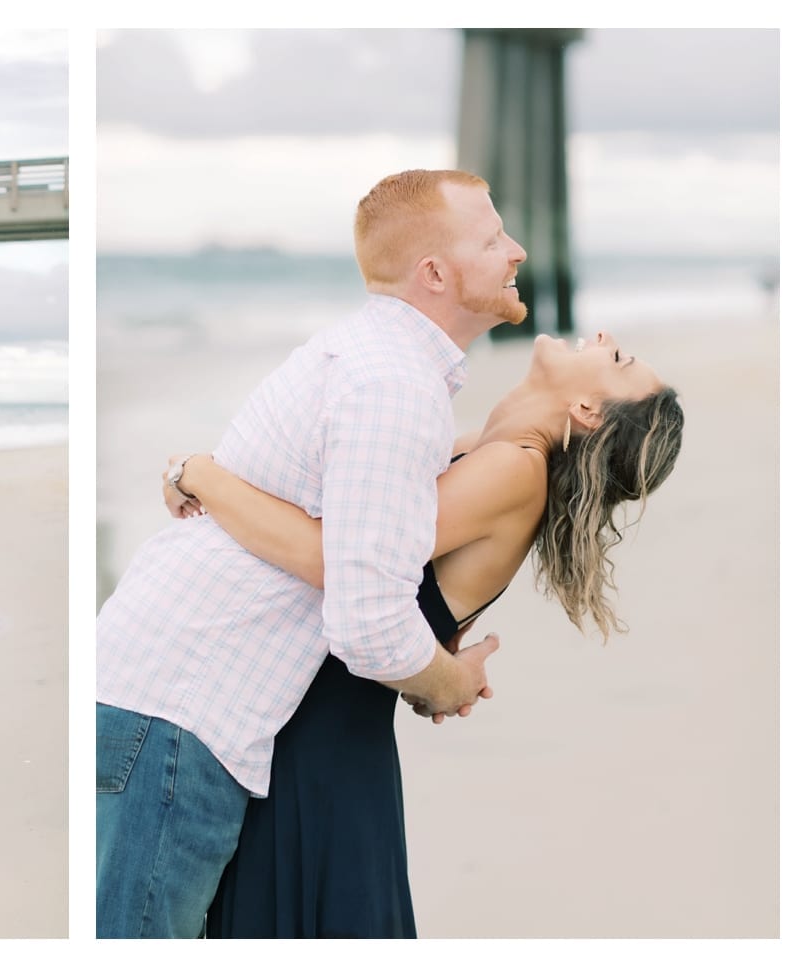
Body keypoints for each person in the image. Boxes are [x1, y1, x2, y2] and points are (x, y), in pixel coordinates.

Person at [95, 168, 526, 938]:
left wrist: (194, 472)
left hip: (154, 698)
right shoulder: (394, 384)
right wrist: (448, 678)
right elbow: (366, 618)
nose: (516, 250)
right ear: (435, 272)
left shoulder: (369, 360)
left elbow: (357, 514)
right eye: (492, 239)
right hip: (176, 722)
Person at [164, 329, 684, 937]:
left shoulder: (514, 469)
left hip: (316, 760)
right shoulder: (491, 450)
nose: (602, 338)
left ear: (588, 412)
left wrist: (197, 472)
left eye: (616, 358)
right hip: (311, 741)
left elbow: (332, 551)